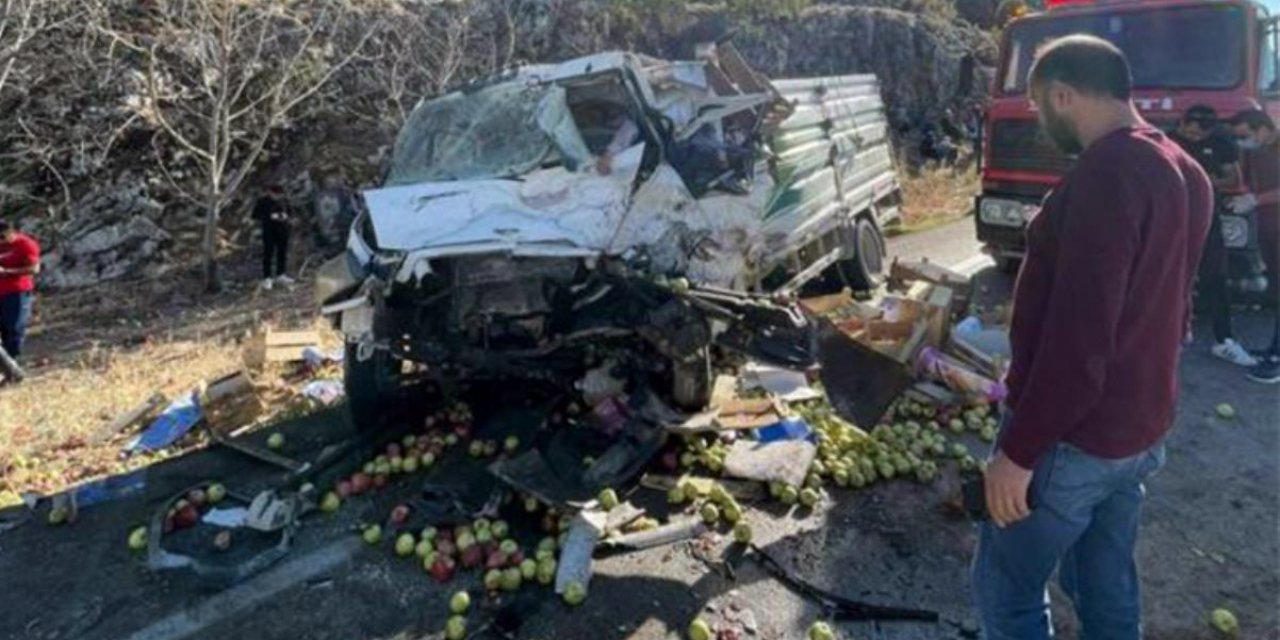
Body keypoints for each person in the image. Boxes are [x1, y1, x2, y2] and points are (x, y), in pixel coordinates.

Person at [973, 36, 1212, 639]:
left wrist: (1019, 451)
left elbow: (1079, 338)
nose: (1040, 118)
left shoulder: (1109, 172)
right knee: (1105, 585)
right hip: (1137, 430)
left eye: (1040, 105)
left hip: (1074, 440)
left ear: (1063, 94)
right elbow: (1174, 308)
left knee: (1007, 591)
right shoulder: (1186, 170)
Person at [1169, 105, 1256, 367]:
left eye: (1200, 131)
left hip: (1207, 217)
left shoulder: (1221, 143)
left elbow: (1232, 178)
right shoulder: (1168, 141)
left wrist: (1203, 180)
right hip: (1172, 219)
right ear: (1182, 124)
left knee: (1216, 277)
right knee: (1170, 278)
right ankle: (1170, 339)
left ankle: (1224, 340)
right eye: (1189, 129)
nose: (1193, 134)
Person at [1229, 109, 1280, 383]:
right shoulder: (1254, 151)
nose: (1242, 142)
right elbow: (1246, 179)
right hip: (1269, 228)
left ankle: (1277, 360)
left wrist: (1256, 199)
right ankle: (1273, 350)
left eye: (1245, 136)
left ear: (1262, 128)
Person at [0, 219, 40, 365]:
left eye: (3, 237)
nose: (1, 241)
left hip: (16, 292)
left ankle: (12, 364)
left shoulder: (25, 244)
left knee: (14, 327)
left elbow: (34, 269)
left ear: (11, 232)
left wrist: (7, 272)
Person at [253, 184, 293, 290]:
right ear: (270, 192)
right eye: (276, 194)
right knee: (268, 253)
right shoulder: (262, 201)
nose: (278, 197)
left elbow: (290, 212)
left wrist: (285, 216)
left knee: (282, 252)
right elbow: (255, 215)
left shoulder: (284, 200)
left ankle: (281, 274)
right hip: (269, 231)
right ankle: (267, 277)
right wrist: (269, 216)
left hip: (283, 230)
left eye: (279, 195)